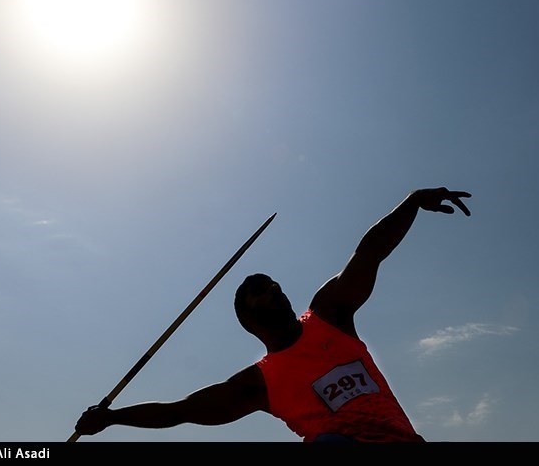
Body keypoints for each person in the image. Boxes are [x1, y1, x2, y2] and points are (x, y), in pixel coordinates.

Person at [74, 187, 472, 442]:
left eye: (274, 285)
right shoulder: (259, 383)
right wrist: (111, 419)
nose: (275, 290)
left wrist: (413, 202)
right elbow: (179, 412)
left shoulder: (329, 315)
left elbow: (369, 253)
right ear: (248, 322)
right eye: (260, 293)